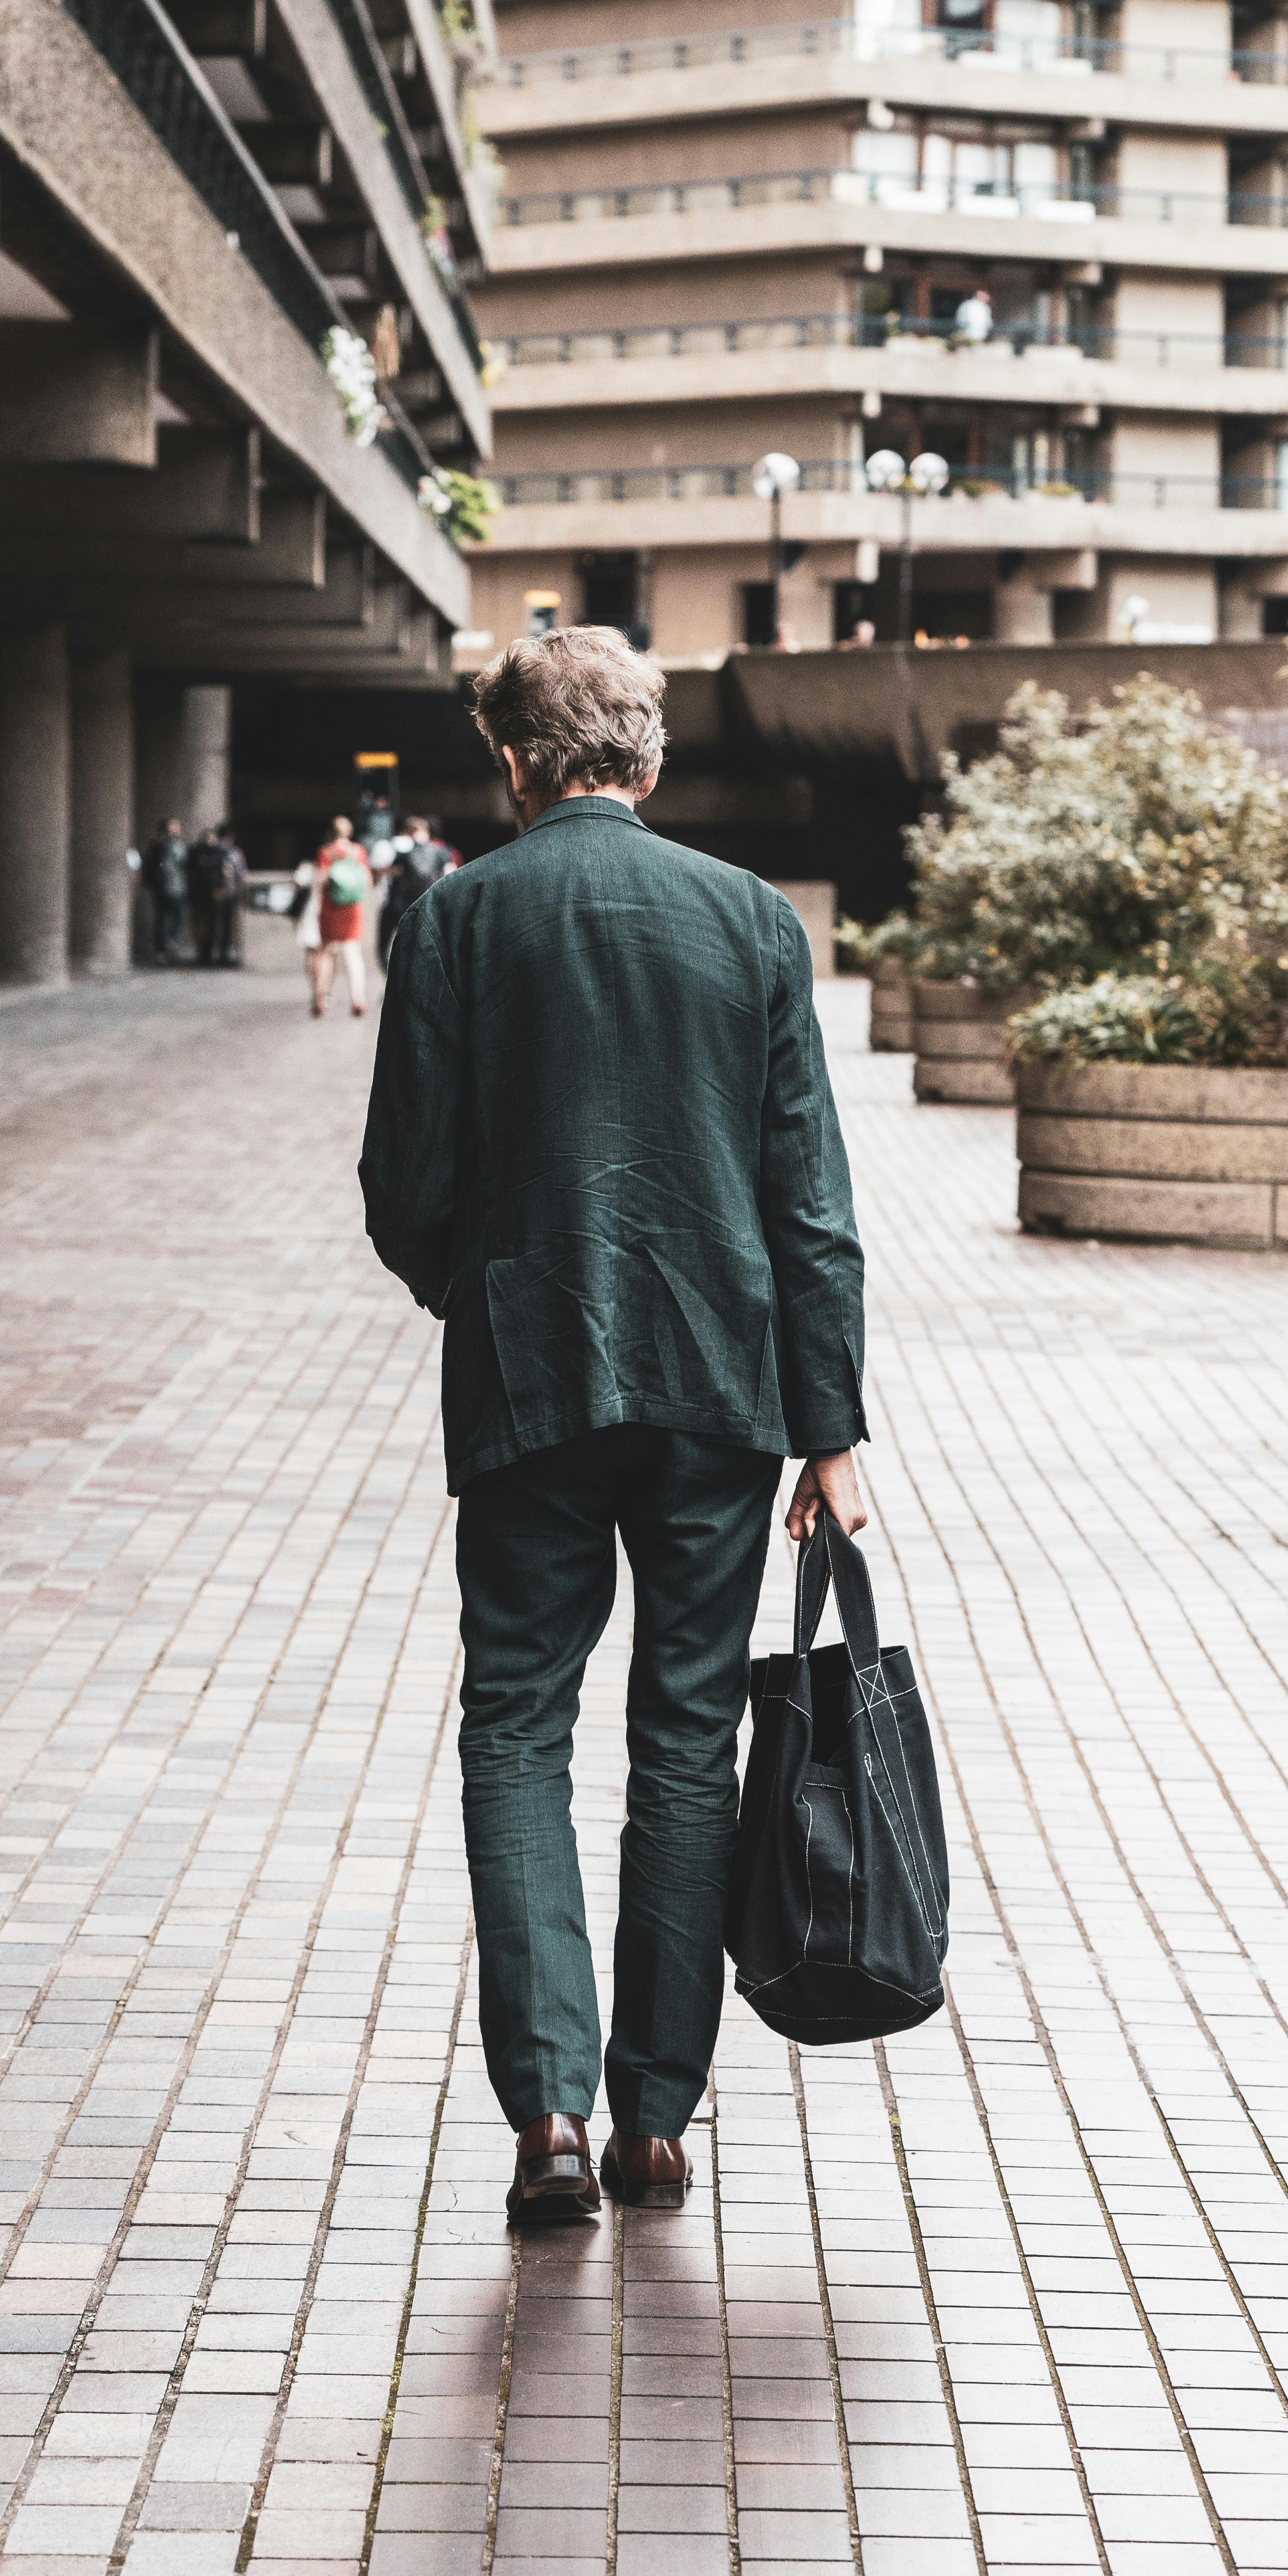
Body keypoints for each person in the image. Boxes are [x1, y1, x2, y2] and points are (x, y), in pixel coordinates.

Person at [359, 626, 867, 2230]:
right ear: (648, 763)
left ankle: (553, 2112)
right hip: (722, 1383)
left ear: (516, 765)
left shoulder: (456, 919)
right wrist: (830, 1425)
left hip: (529, 1382)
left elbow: (402, 1189)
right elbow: (811, 1204)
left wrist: (484, 1286)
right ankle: (658, 2113)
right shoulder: (750, 921)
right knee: (683, 1741)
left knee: (515, 1723)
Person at [305, 813, 372, 1017]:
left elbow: (322, 881)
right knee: (352, 952)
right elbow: (367, 882)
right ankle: (358, 998)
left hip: (331, 908)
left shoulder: (325, 852)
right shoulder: (358, 851)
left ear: (330, 832)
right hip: (352, 909)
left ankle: (321, 998)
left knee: (326, 952)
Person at [378, 813, 457, 969]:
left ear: (410, 835)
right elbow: (451, 874)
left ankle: (395, 976)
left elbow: (388, 872)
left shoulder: (404, 856)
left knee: (390, 946)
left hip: (403, 907)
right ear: (427, 834)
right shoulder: (442, 852)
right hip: (431, 906)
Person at [138, 814, 187, 964]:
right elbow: (149, 864)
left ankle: (171, 944)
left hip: (179, 887)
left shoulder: (180, 845)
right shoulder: (159, 844)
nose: (177, 829)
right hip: (163, 886)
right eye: (174, 826)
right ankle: (161, 949)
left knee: (178, 917)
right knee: (162, 918)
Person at [206, 824, 247, 967]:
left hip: (216, 892)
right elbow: (241, 874)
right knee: (225, 925)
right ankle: (221, 955)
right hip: (227, 892)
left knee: (214, 924)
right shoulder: (234, 853)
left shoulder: (213, 850)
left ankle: (210, 955)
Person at [184, 826, 223, 966]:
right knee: (199, 923)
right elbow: (191, 872)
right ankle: (202, 952)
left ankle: (209, 953)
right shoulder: (196, 852)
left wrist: (219, 888)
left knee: (212, 924)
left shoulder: (219, 853)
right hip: (199, 893)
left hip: (213, 893)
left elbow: (221, 873)